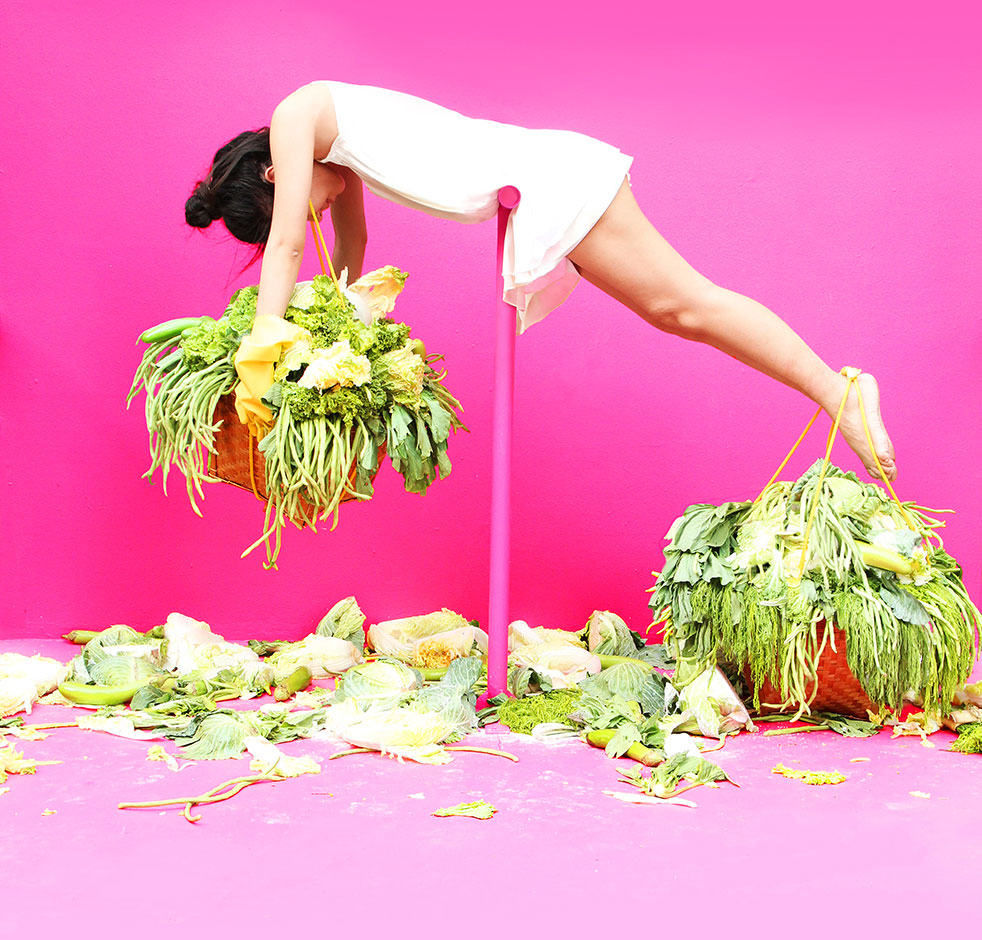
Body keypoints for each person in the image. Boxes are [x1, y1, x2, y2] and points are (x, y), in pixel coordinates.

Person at [185, 80, 897, 480]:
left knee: (685, 304)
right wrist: (326, 330)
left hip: (550, 178)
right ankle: (836, 393)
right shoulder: (331, 149)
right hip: (538, 184)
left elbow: (285, 249)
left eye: (302, 207)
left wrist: (263, 348)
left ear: (277, 175)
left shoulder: (296, 116)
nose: (319, 213)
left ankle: (840, 392)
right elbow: (354, 246)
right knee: (675, 311)